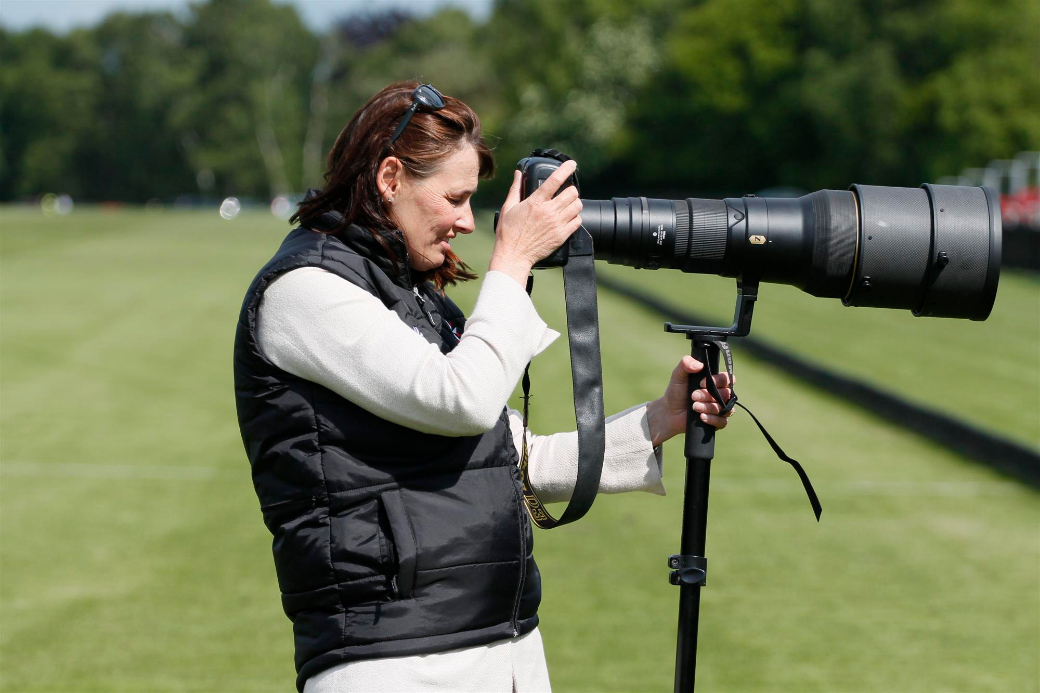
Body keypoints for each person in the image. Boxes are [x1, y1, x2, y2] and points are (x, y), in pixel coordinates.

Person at [233, 81, 732, 693]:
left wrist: (660, 419)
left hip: (506, 645)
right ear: (391, 178)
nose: (469, 222)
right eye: (455, 198)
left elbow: (519, 461)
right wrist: (513, 260)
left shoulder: (417, 300)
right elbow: (462, 400)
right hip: (394, 664)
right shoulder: (305, 291)